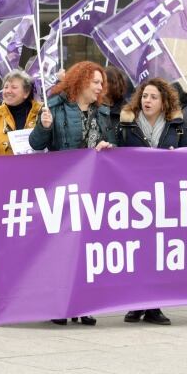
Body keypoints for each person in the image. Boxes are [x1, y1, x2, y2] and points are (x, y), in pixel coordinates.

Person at [30, 61, 117, 326]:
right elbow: (36, 144)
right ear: (80, 81)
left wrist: (107, 145)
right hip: (63, 186)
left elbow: (111, 142)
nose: (101, 87)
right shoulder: (54, 106)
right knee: (62, 247)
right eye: (96, 82)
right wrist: (44, 127)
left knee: (86, 248)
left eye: (102, 83)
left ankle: (83, 303)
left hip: (91, 187)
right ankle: (59, 305)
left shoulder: (102, 111)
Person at [117, 78, 187, 326]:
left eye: (153, 97)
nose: (147, 100)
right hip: (133, 196)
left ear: (164, 102)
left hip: (163, 197)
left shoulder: (176, 125)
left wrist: (178, 157)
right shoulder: (126, 123)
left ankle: (154, 305)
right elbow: (114, 151)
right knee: (136, 251)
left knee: (157, 251)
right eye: (144, 96)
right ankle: (136, 304)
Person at [0, 69, 43, 156]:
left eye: (14, 87)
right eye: (6, 87)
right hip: (3, 168)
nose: (8, 91)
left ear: (26, 92)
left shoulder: (41, 113)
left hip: (35, 167)